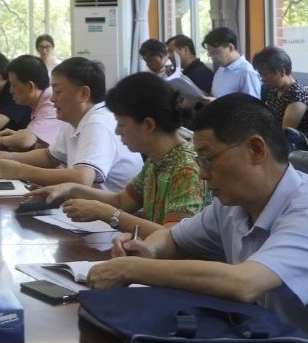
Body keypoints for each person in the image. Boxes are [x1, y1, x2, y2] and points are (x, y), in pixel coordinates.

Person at [87, 94, 308, 343]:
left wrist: (133, 269)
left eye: (208, 159)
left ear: (256, 150)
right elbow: (173, 238)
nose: (202, 173)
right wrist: (148, 249)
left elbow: (243, 283)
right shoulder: (232, 205)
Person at [33, 72, 209, 236]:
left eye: (122, 124)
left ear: (148, 125)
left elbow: (172, 236)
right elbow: (121, 201)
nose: (117, 131)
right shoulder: (158, 159)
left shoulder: (187, 169)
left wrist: (107, 213)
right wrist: (72, 188)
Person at [0, 58, 143, 191]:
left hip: (115, 212)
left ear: (83, 93)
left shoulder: (98, 123)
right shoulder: (76, 120)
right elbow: (49, 156)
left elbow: (82, 178)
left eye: (57, 91)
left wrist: (20, 171)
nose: (52, 99)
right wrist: (9, 157)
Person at [0, 55, 65, 150]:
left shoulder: (50, 102)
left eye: (14, 85)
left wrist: (0, 140)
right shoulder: (41, 100)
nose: (11, 91)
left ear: (30, 86)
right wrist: (18, 135)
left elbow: (25, 141)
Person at [252, 46, 308, 131]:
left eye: (265, 74)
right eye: (261, 75)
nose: (263, 79)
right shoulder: (274, 90)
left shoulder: (298, 96)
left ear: (282, 71)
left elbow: (285, 134)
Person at [201, 27, 261, 99]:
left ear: (230, 47)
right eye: (210, 54)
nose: (213, 58)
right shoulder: (221, 69)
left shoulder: (247, 73)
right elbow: (217, 95)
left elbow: (253, 105)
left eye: (215, 52)